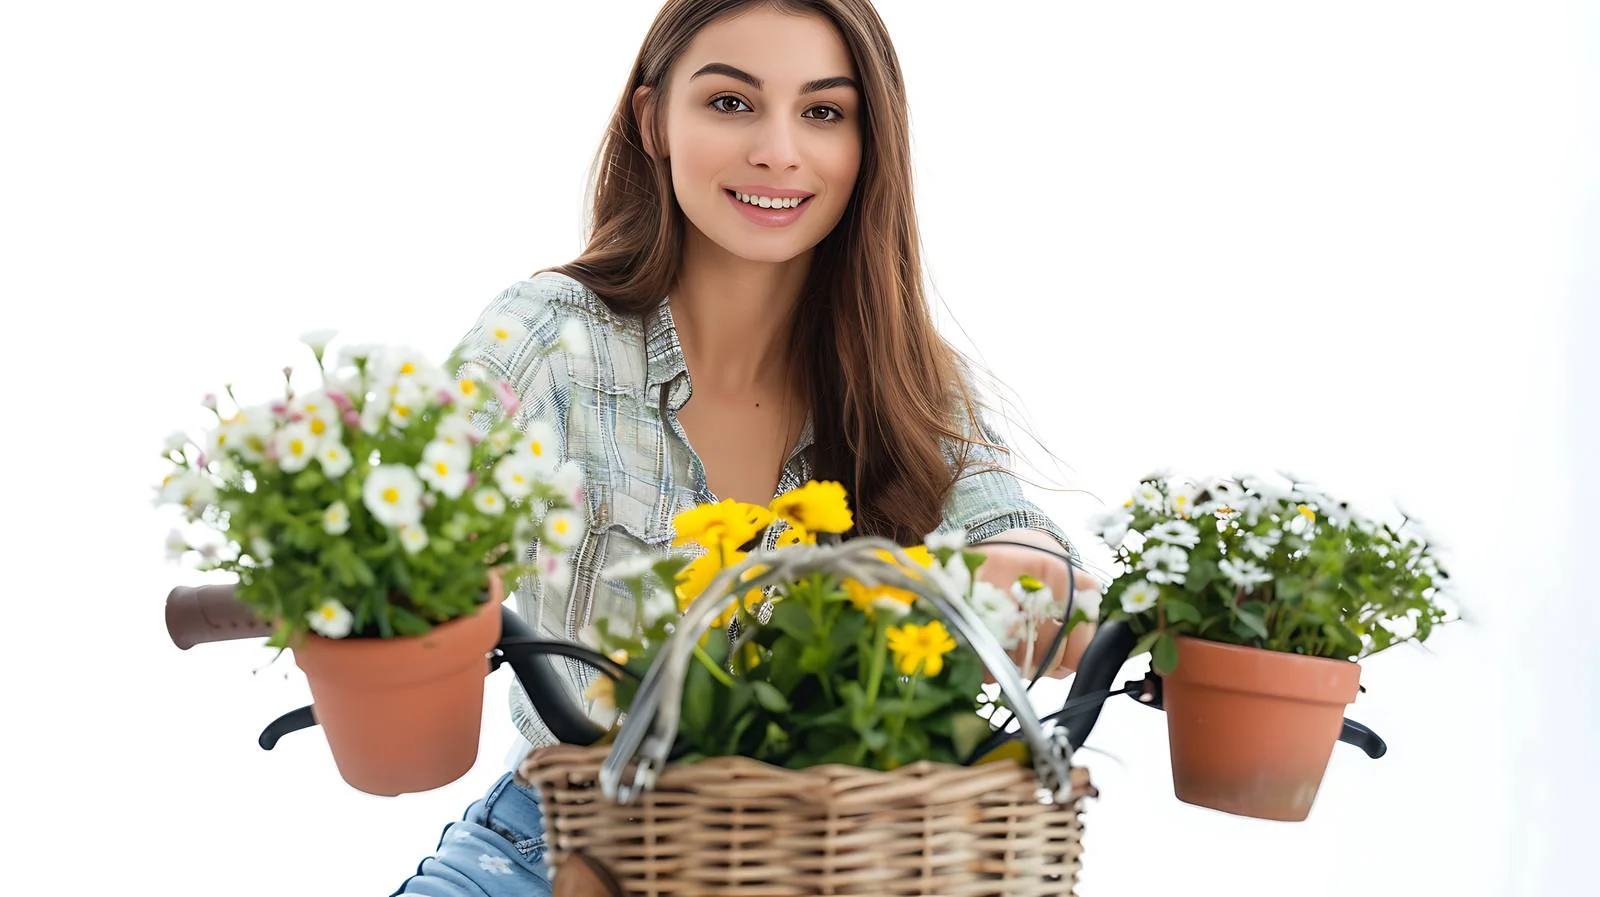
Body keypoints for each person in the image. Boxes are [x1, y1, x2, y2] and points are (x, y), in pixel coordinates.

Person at [392, 1, 1095, 894]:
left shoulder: (906, 376)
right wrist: (433, 569)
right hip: (558, 849)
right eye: (731, 103)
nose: (778, 151)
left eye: (823, 111)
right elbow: (435, 497)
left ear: (868, 143)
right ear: (654, 119)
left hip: (828, 862)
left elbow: (1006, 523)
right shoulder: (551, 336)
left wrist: (1035, 578)